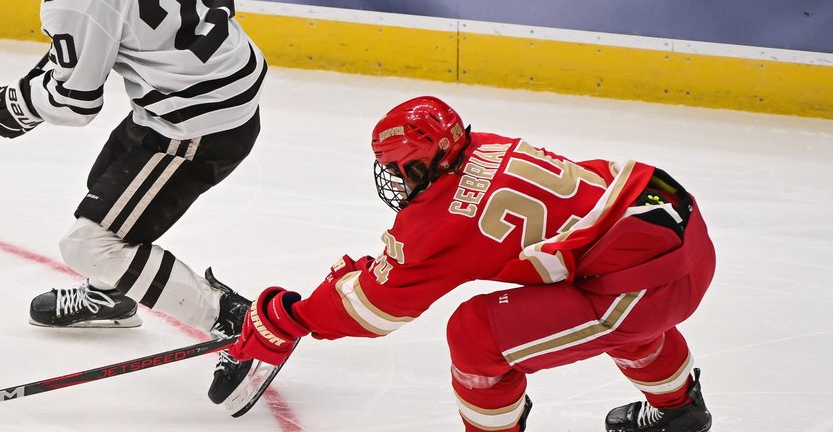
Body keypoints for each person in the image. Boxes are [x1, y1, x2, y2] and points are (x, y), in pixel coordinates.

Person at [225, 96, 716, 432]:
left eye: (394, 166)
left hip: (646, 284)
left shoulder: (440, 221)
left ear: (421, 160)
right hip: (673, 218)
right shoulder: (483, 145)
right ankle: (679, 413)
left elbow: (373, 310)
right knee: (600, 294)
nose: (392, 179)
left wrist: (286, 317)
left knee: (476, 333)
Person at [0, 0, 266, 398]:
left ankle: (241, 325)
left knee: (92, 243)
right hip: (206, 83)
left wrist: (20, 103)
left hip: (199, 123)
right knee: (107, 183)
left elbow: (76, 101)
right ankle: (112, 295)